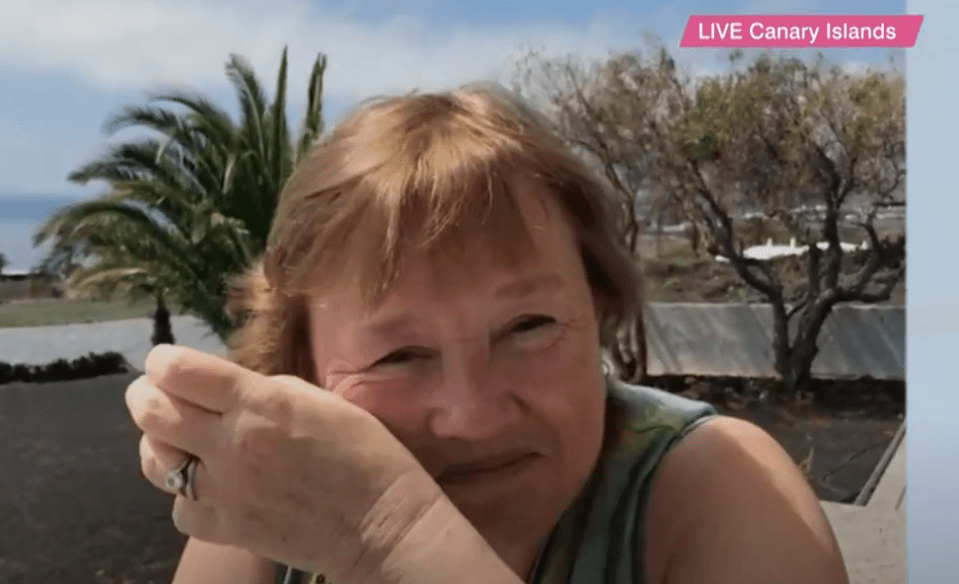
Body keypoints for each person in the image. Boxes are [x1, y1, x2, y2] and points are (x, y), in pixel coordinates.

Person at [124, 83, 849, 584]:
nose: (472, 416)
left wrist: (387, 538)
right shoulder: (268, 509)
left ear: (595, 308)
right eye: (399, 354)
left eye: (528, 326)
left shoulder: (719, 489)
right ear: (303, 367)